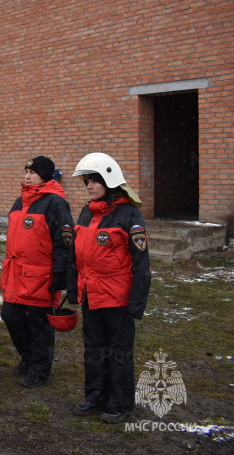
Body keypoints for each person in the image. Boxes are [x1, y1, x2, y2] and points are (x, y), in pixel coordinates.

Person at [67, 152, 151, 424]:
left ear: (110, 182)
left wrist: (136, 303)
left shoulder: (129, 214)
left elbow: (141, 264)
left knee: (118, 351)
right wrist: (73, 289)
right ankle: (95, 396)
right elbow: (74, 255)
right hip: (91, 294)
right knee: (93, 348)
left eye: (94, 181)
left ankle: (120, 402)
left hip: (118, 298)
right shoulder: (85, 212)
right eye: (86, 181)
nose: (88, 186)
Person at [0, 156, 74, 387]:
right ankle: (27, 357)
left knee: (39, 324)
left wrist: (60, 275)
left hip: (41, 275)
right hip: (16, 273)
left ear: (45, 175)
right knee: (11, 316)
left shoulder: (55, 203)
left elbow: (64, 242)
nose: (27, 176)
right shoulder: (19, 201)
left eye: (32, 173)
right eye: (26, 172)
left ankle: (40, 369)